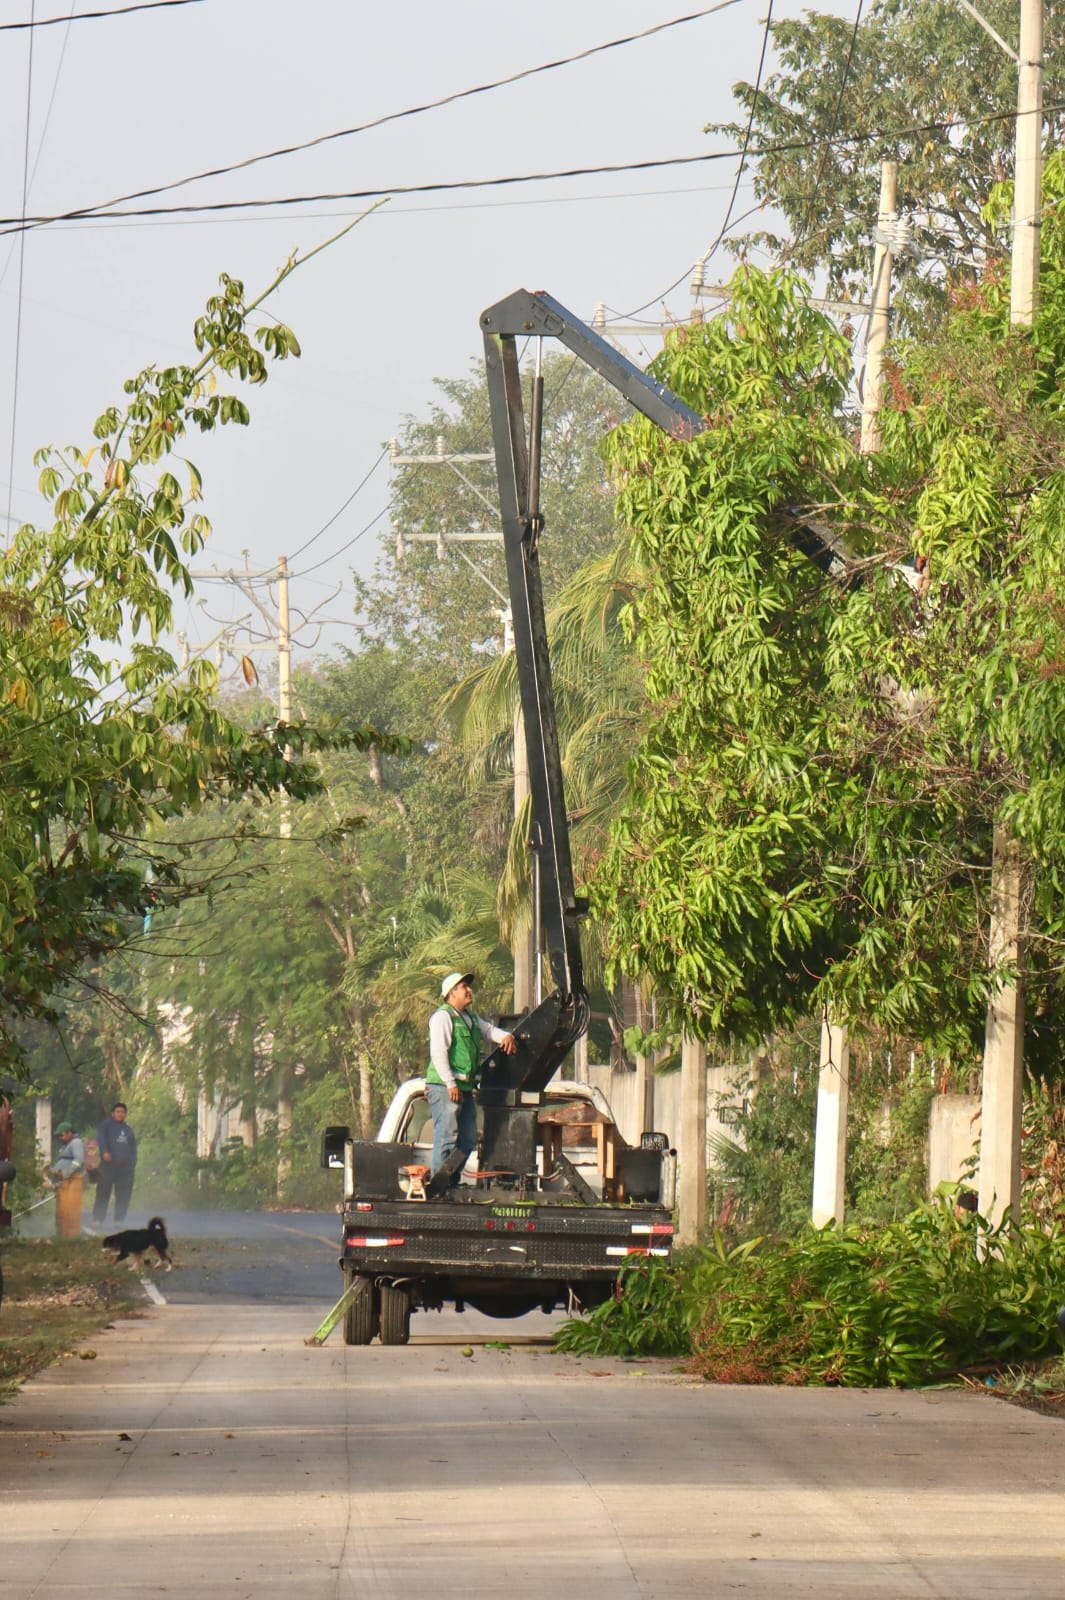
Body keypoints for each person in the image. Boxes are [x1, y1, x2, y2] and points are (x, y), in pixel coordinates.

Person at [426, 972, 517, 1181]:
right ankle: (439, 1185)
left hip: (463, 1088)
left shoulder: (471, 1018)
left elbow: (489, 1031)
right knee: (447, 1137)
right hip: (444, 1087)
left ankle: (451, 1182)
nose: (469, 990)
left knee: (467, 1139)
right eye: (464, 987)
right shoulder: (443, 1017)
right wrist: (450, 1083)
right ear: (451, 992)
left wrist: (506, 1036)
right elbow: (439, 1053)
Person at [92, 1102, 138, 1226]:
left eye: (122, 1112)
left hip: (125, 1168)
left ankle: (119, 1220)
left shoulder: (128, 1130)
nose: (120, 1114)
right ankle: (98, 1219)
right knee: (103, 1191)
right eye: (118, 1112)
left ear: (125, 1114)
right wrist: (104, 1152)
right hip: (108, 1165)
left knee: (123, 1195)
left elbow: (133, 1148)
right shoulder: (106, 1125)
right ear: (113, 1113)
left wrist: (133, 1163)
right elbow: (101, 1139)